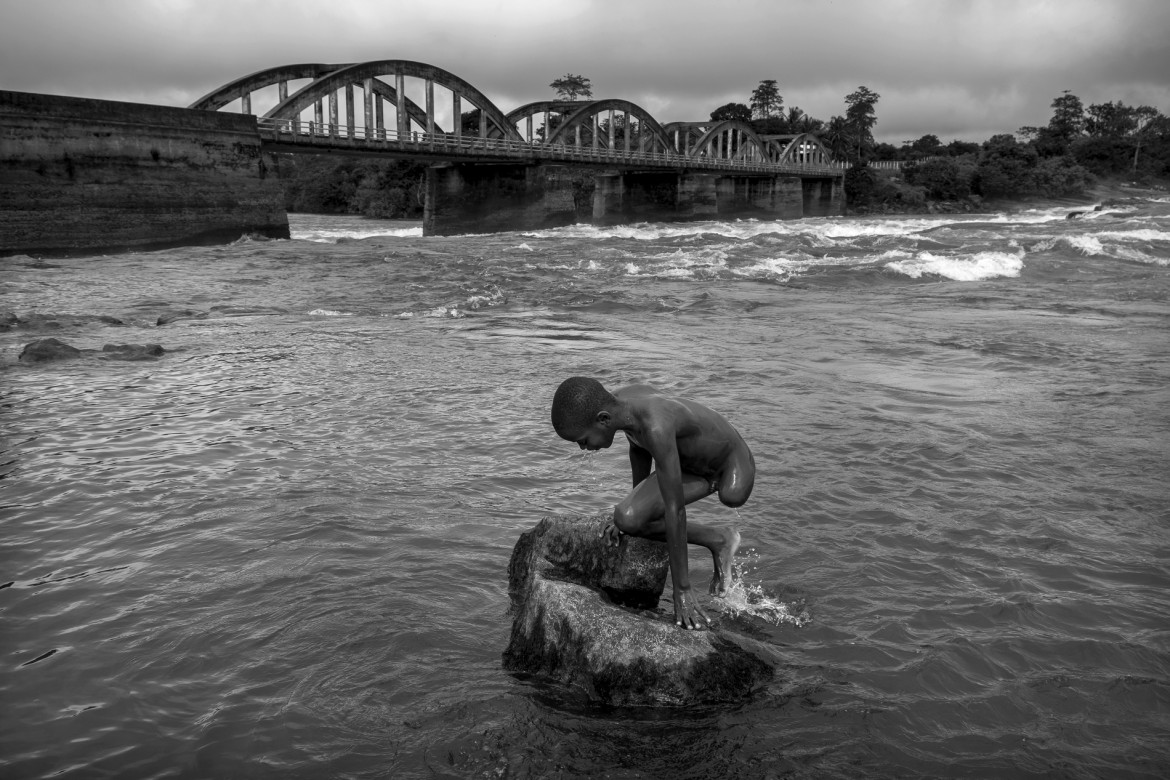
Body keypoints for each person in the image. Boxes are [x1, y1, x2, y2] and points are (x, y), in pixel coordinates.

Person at [551, 377, 755, 630]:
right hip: (683, 461)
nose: (582, 447)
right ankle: (719, 539)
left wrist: (682, 588)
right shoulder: (619, 405)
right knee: (629, 518)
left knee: (732, 495)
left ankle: (722, 540)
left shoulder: (655, 426)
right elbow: (638, 447)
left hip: (726, 464)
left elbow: (675, 509)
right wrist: (636, 501)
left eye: (582, 440)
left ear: (603, 420)